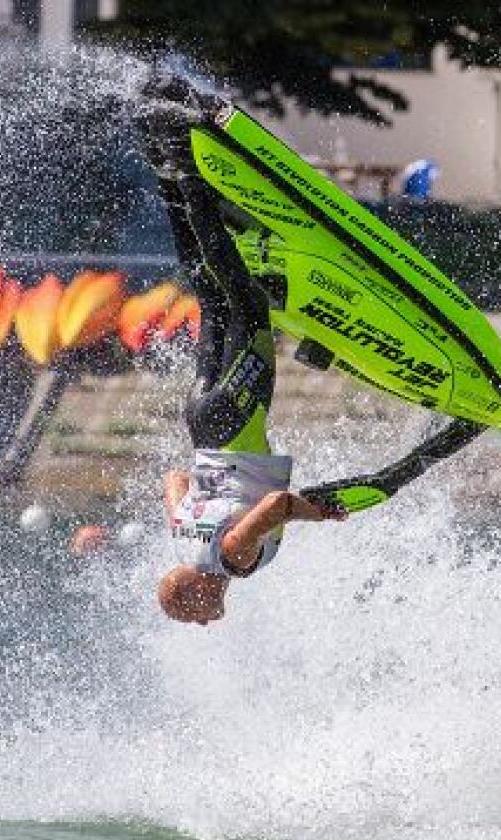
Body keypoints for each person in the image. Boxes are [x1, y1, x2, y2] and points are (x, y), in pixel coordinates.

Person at [139, 76, 346, 625]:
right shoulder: (186, 538)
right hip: (203, 421)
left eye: (195, 616)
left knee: (246, 297)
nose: (208, 623)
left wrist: (318, 513)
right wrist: (210, 500)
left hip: (235, 416)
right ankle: (162, 159)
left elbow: (276, 507)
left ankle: (186, 163)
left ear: (199, 595)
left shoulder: (232, 559)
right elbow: (174, 482)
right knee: (211, 293)